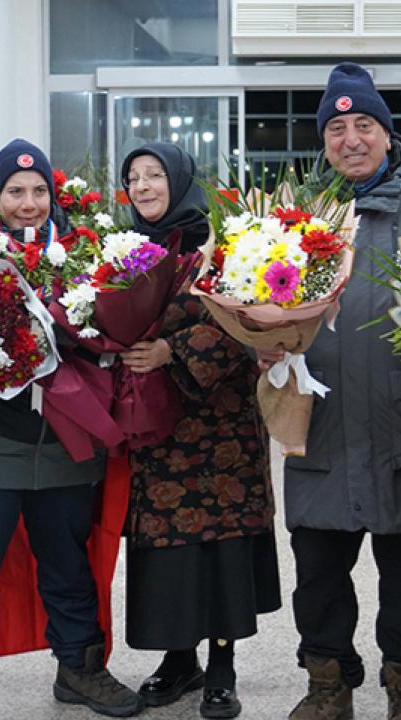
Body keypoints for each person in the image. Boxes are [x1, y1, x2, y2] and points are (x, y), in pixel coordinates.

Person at [0, 138, 142, 720]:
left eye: (39, 190)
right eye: (15, 191)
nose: (29, 203)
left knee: (69, 562)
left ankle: (81, 670)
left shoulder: (85, 255)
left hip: (65, 441)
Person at [259, 62, 401, 720]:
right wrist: (260, 341)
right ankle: (327, 686)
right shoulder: (300, 213)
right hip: (323, 423)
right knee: (316, 571)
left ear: (385, 130)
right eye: (335, 128)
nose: (350, 138)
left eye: (362, 124)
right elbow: (262, 298)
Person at [117, 142, 280, 720]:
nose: (142, 187)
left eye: (154, 175)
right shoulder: (123, 251)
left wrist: (171, 350)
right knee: (168, 548)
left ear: (179, 180)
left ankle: (222, 667)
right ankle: (178, 659)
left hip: (221, 430)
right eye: (133, 178)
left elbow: (251, 320)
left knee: (219, 550)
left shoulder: (224, 246)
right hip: (157, 431)